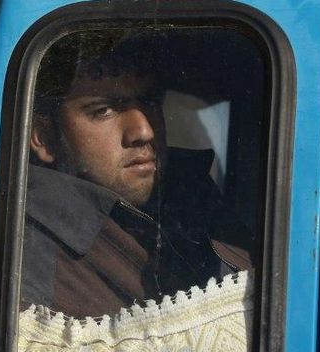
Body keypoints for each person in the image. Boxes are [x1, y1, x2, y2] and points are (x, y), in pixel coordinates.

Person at [20, 31, 251, 318]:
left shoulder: (198, 200)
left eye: (150, 101)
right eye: (103, 110)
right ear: (44, 137)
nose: (144, 131)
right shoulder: (28, 257)